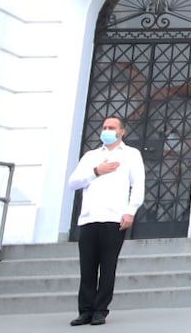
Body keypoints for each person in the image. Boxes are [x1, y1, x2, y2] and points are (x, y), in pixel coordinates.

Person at [66, 116, 145, 326]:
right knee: (88, 267)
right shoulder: (91, 156)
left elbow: (138, 185)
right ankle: (85, 310)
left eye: (112, 127)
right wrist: (96, 172)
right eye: (105, 127)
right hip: (90, 218)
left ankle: (100, 310)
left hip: (114, 218)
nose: (107, 130)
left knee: (108, 267)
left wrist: (130, 211)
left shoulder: (131, 155)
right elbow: (73, 182)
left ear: (122, 131)